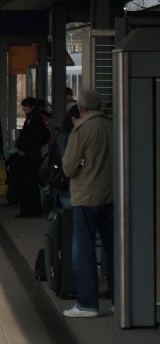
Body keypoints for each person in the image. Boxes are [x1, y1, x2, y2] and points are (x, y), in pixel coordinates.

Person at [60, 88, 113, 318]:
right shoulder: (112, 127)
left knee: (84, 251)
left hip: (86, 197)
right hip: (112, 196)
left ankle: (87, 304)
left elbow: (69, 167)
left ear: (81, 108)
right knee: (114, 251)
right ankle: (119, 300)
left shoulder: (81, 130)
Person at [13, 97, 50, 217]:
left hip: (31, 156)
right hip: (28, 154)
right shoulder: (31, 119)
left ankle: (31, 210)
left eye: (26, 108)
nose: (24, 110)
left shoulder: (35, 121)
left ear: (32, 107)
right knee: (28, 183)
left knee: (29, 183)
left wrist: (22, 148)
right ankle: (30, 209)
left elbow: (33, 138)